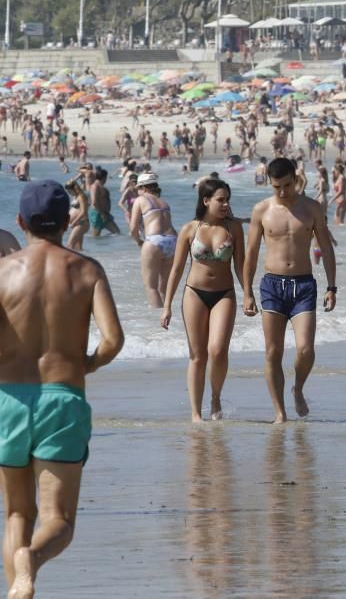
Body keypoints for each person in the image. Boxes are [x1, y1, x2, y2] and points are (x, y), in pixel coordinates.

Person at [0, 180, 124, 598]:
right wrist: (88, 364)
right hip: (62, 399)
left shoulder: (2, 271)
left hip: (9, 401)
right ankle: (31, 560)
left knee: (17, 512)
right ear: (69, 219)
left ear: (20, 221)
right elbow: (112, 340)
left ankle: (18, 586)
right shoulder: (87, 270)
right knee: (59, 519)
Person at [243, 157, 337, 424]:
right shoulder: (262, 210)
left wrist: (332, 286)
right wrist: (247, 292)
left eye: (287, 185)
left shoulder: (312, 209)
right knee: (273, 352)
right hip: (272, 284)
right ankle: (280, 413)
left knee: (306, 349)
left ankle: (298, 388)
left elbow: (326, 249)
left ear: (296, 179)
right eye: (277, 187)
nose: (283, 192)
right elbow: (250, 254)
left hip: (303, 285)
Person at [161, 179, 246, 422]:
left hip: (224, 294)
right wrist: (166, 305)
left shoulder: (233, 229)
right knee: (198, 355)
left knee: (217, 350)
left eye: (228, 199)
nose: (225, 204)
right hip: (194, 294)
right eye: (221, 199)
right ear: (206, 201)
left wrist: (248, 294)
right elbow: (176, 270)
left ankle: (216, 397)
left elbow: (240, 266)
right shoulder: (189, 229)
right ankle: (196, 413)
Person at [129, 173, 177, 308]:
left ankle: (156, 324)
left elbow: (133, 228)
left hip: (154, 240)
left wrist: (139, 241)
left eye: (138, 188)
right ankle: (166, 321)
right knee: (163, 288)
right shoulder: (164, 203)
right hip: (173, 240)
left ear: (143, 188)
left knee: (151, 287)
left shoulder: (140, 200)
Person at [88, 168, 120, 237]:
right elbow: (94, 202)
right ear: (104, 177)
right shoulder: (95, 186)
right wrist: (102, 214)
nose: (106, 179)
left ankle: (105, 243)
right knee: (96, 237)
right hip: (98, 214)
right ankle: (98, 246)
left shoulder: (101, 187)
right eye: (106, 177)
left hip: (105, 214)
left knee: (117, 233)